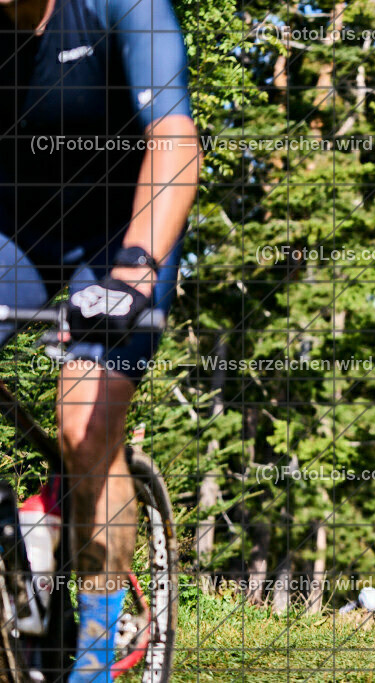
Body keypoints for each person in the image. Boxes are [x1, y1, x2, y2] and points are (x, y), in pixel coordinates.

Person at [0, 0, 198, 677]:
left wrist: (136, 271)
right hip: (20, 229)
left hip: (124, 229)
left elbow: (174, 140)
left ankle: (92, 654)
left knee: (84, 424)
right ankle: (29, 562)